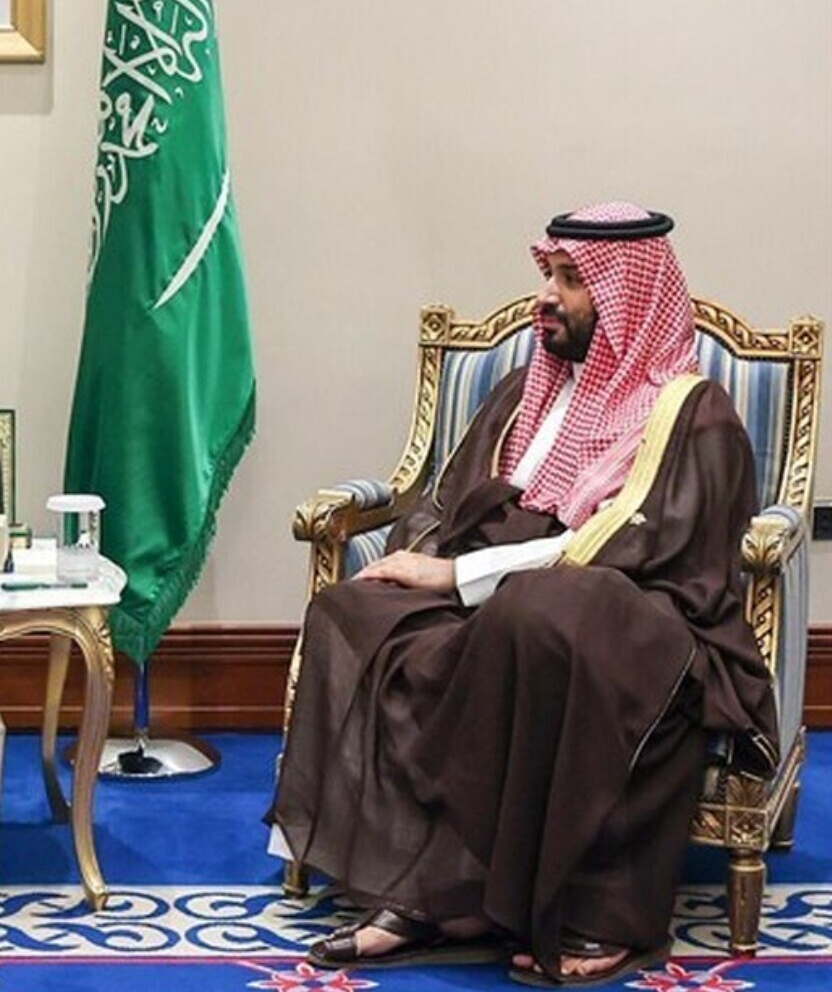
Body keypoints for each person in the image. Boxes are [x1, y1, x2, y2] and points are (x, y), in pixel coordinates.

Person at [269, 202, 777, 988]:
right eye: (549, 274)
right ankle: (435, 891)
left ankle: (598, 911)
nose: (547, 296)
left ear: (628, 296)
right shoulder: (525, 388)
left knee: (538, 613)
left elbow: (642, 544)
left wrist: (458, 577)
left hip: (640, 616)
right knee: (355, 610)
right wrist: (430, 561)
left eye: (571, 279)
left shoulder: (691, 411)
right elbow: (454, 499)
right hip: (509, 595)